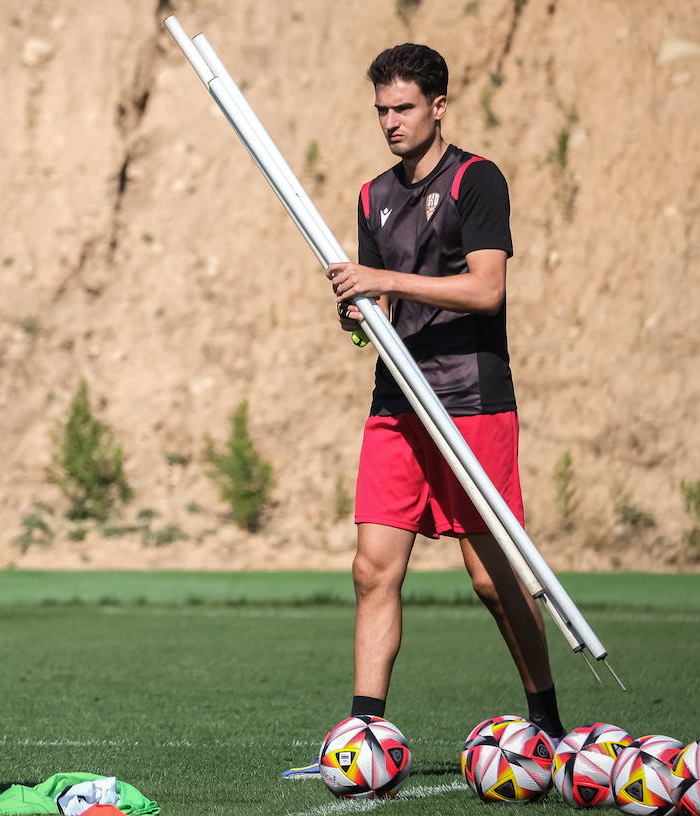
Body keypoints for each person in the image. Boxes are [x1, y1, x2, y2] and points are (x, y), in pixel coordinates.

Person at [281, 44, 564, 779]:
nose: (390, 122)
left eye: (403, 108)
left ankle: (548, 722)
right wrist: (358, 310)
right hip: (396, 403)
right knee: (373, 570)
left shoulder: (478, 180)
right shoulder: (374, 195)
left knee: (491, 577)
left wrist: (379, 276)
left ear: (438, 106)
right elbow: (375, 302)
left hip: (471, 401)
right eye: (381, 110)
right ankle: (362, 733)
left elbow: (486, 290)